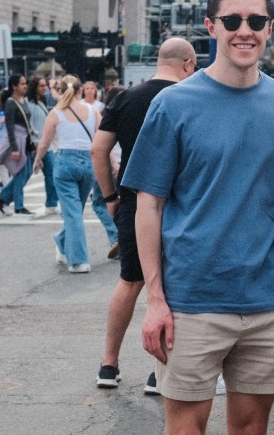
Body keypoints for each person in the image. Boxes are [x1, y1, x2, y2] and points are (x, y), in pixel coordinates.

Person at [122, 0, 274, 433]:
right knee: (185, 427)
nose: (245, 30)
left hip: (267, 301)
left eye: (256, 20)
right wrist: (156, 300)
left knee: (250, 428)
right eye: (232, 20)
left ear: (270, 28)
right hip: (190, 302)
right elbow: (148, 206)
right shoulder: (174, 103)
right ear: (211, 26)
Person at [92, 37, 196, 393]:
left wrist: (109, 195)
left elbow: (98, 149)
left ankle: (108, 364)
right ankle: (158, 372)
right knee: (173, 286)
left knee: (131, 281)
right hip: (181, 204)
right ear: (188, 63)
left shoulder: (126, 97)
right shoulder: (191, 97)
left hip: (134, 200)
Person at [32, 76, 98, 273]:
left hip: (64, 163)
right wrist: (111, 163)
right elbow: (103, 139)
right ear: (79, 91)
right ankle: (64, 245)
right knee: (75, 212)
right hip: (88, 164)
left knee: (72, 213)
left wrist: (38, 159)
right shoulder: (93, 111)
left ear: (60, 91)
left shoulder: (55, 113)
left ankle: (78, 259)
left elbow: (45, 142)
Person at [0, 74, 34, 216]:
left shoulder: (23, 100)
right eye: (22, 83)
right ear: (14, 86)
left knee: (27, 172)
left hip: (26, 140)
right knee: (20, 173)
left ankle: (2, 196)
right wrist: (15, 148)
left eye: (25, 83)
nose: (25, 86)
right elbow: (9, 127)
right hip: (18, 140)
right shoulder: (10, 102)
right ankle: (19, 205)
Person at [27, 77, 59, 215]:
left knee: (51, 174)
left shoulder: (41, 102)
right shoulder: (30, 103)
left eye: (45, 85)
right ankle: (4, 197)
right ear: (34, 87)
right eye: (41, 86)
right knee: (25, 174)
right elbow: (30, 124)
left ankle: (51, 203)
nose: (45, 88)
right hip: (37, 144)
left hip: (46, 145)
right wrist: (34, 140)